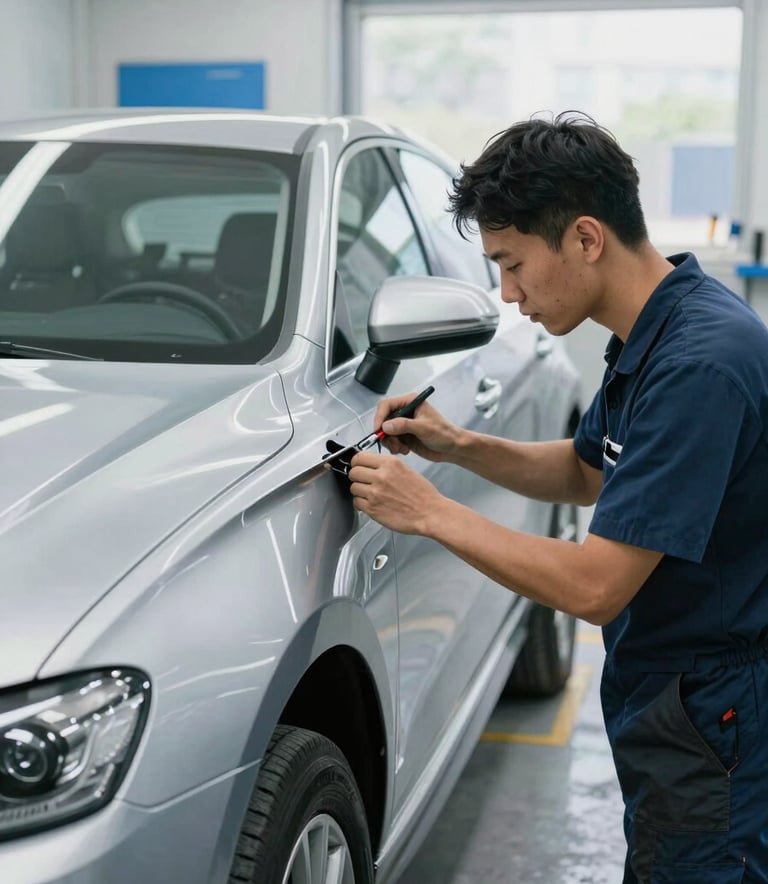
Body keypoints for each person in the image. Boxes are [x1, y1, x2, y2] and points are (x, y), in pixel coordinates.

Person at [347, 111, 768, 883]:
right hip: (675, 699)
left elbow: (595, 586)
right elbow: (588, 471)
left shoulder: (698, 366)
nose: (508, 296)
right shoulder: (657, 332)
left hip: (720, 718)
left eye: (512, 264)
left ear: (584, 238)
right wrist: (459, 446)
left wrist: (428, 511)